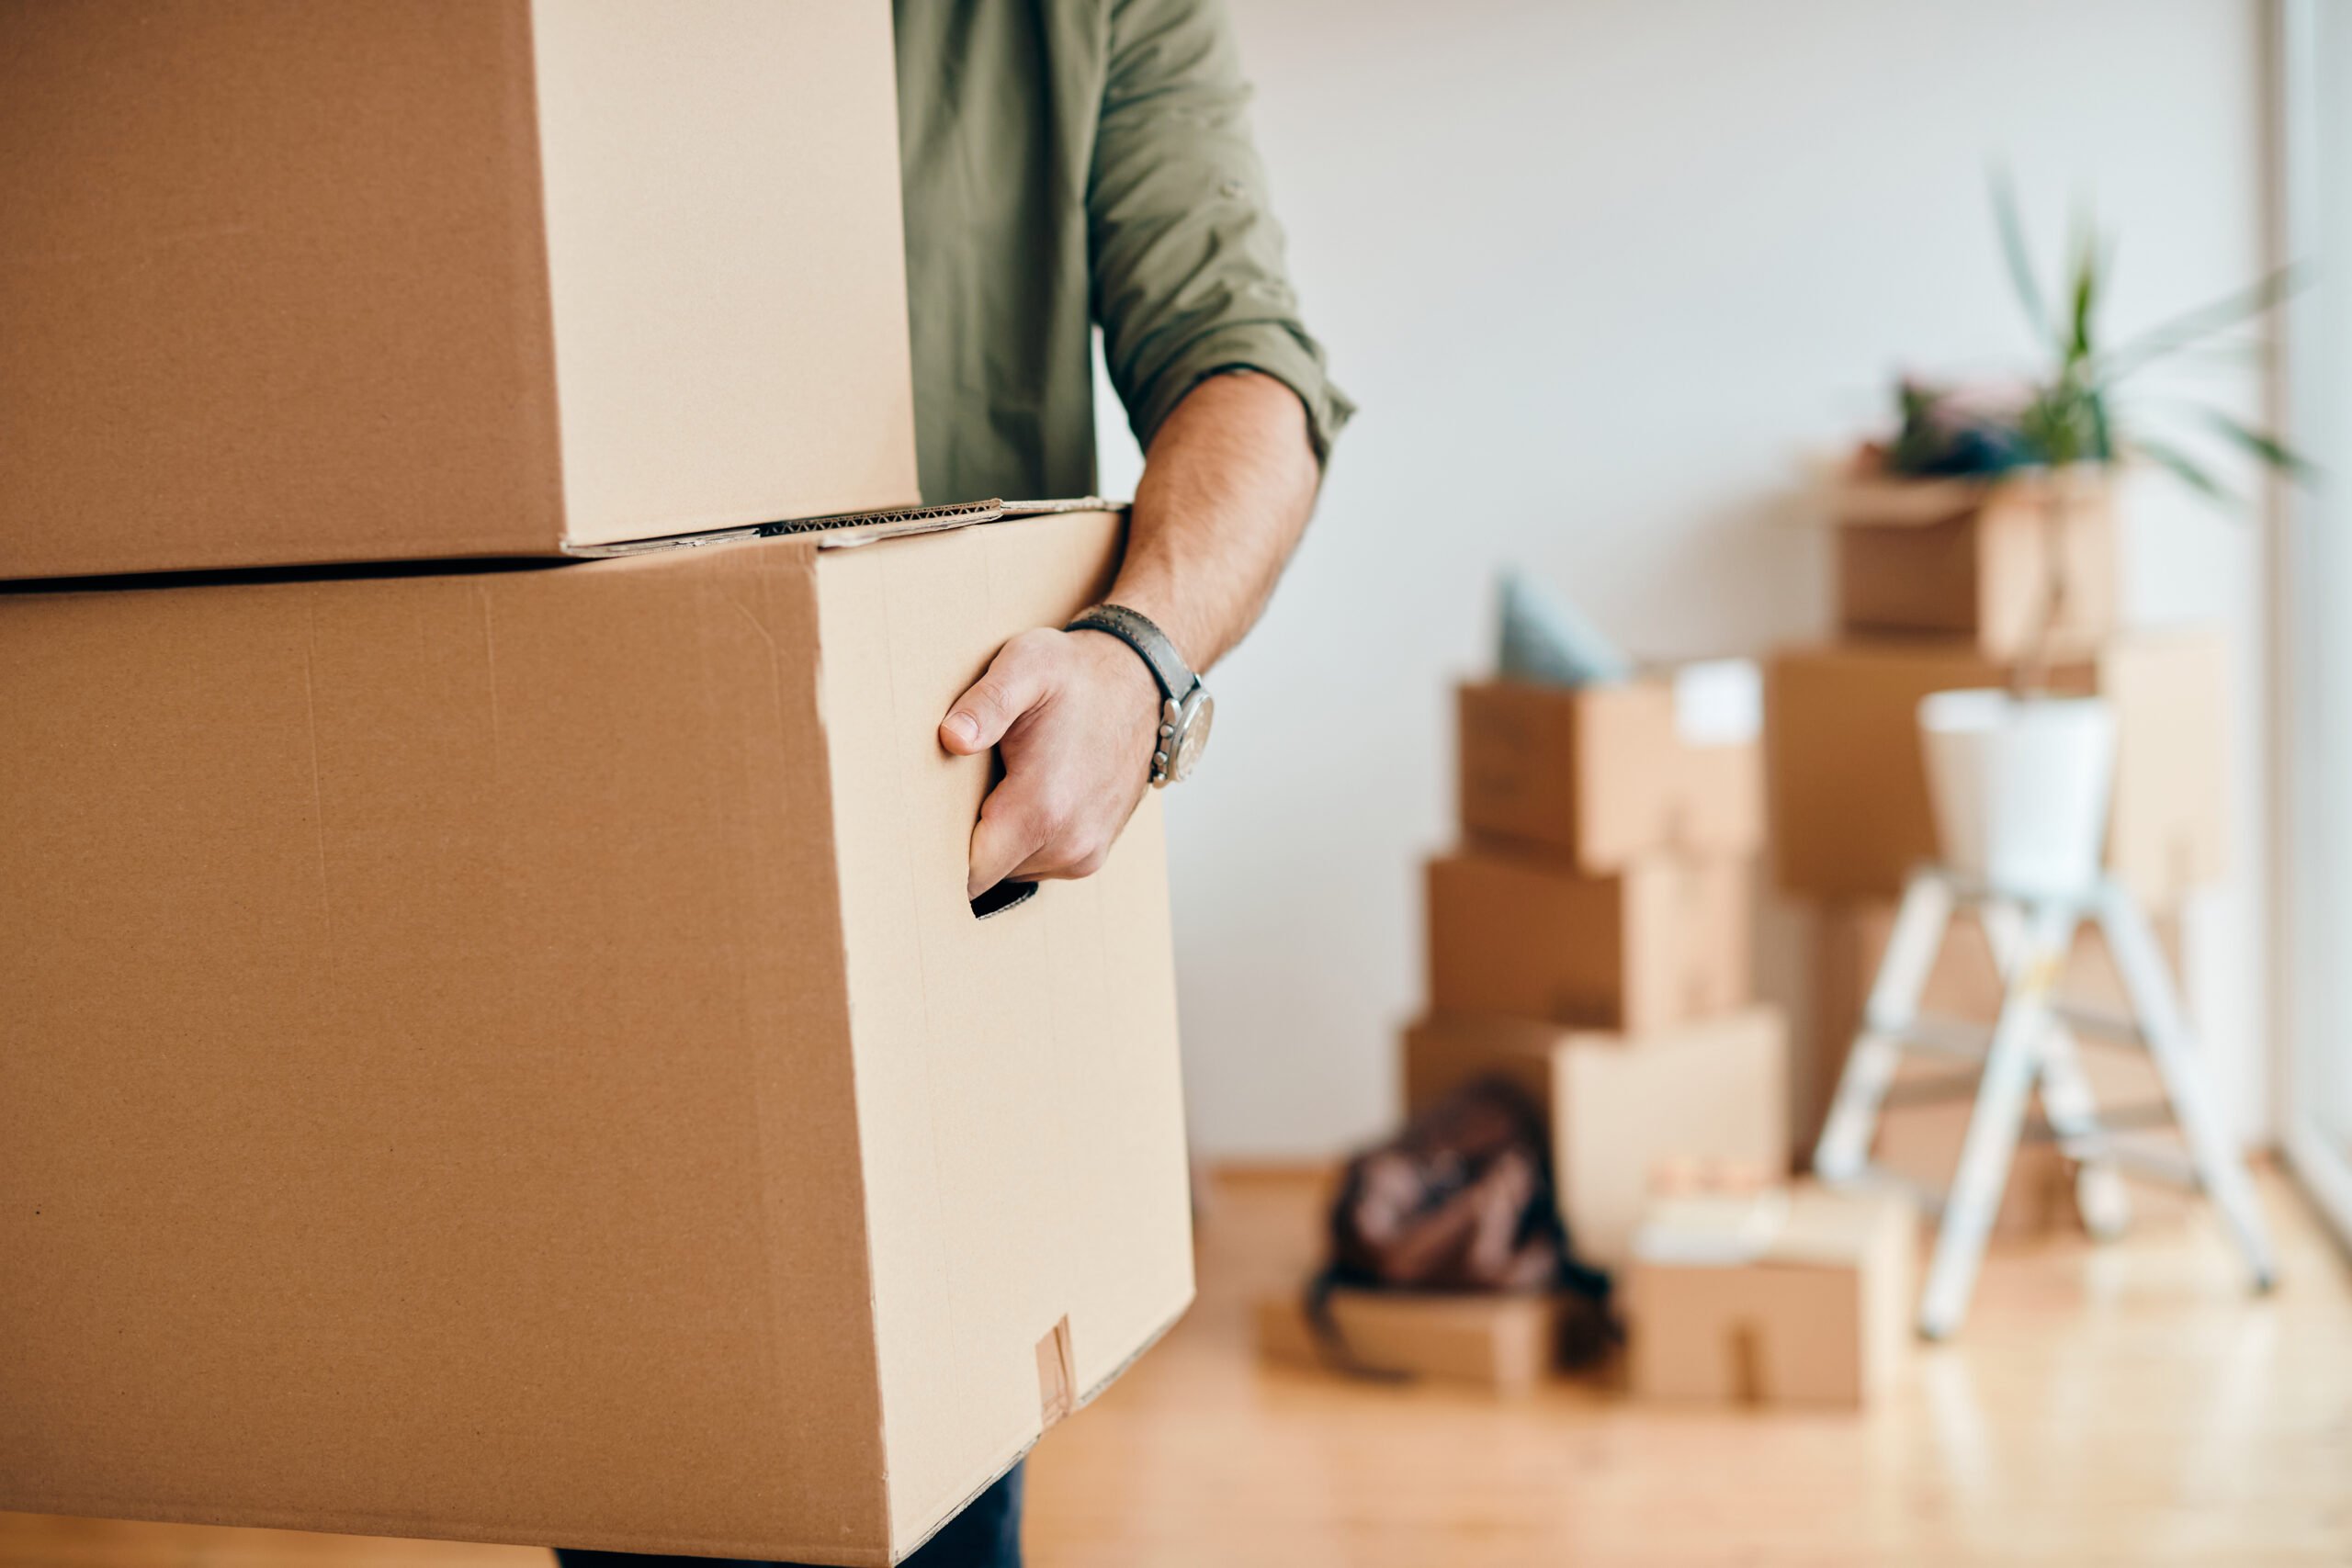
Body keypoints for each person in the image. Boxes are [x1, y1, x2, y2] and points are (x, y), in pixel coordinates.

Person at [556, 2, 1345, 1564]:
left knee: (923, 1506)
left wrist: (1141, 658)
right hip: (588, 839)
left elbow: (1250, 371)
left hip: (929, 872)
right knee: (631, 1489)